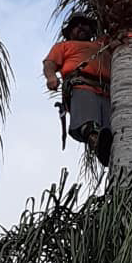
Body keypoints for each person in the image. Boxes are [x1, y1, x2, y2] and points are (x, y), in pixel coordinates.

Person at [43, 11, 113, 166]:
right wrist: (51, 77)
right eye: (75, 26)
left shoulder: (103, 44)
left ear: (92, 29)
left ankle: (110, 152)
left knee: (113, 133)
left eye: (84, 24)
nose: (80, 27)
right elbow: (49, 64)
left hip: (109, 93)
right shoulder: (63, 46)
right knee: (88, 125)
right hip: (82, 86)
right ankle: (99, 147)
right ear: (69, 33)